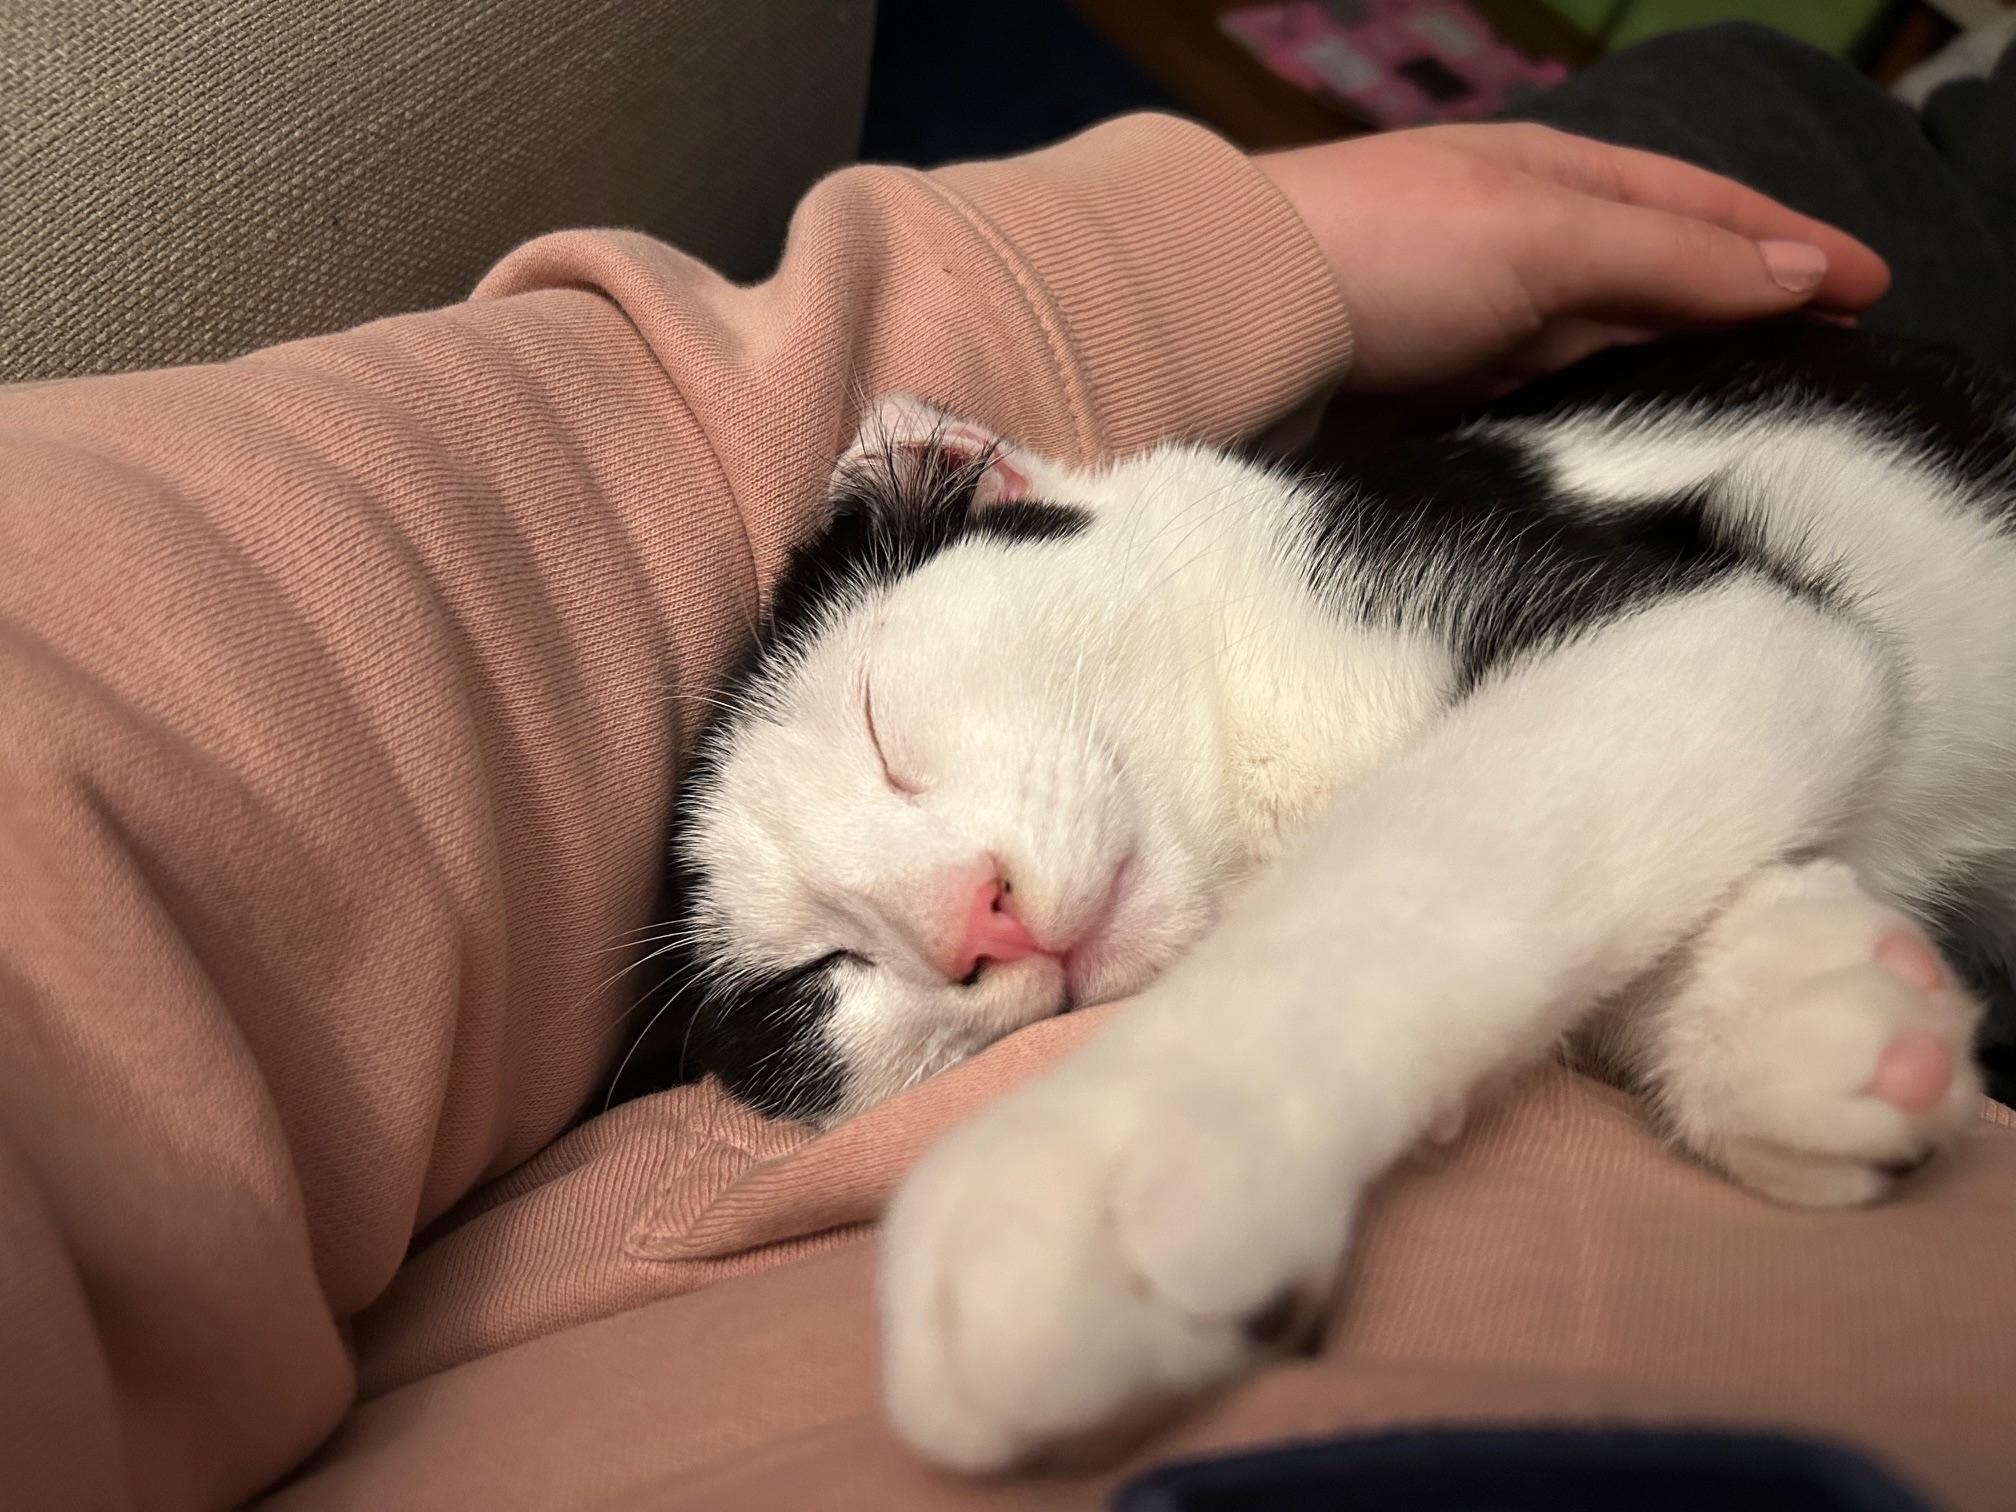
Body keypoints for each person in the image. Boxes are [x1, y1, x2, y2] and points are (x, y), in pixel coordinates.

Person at [0, 23, 2008, 1512]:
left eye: (881, 737)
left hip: (1845, 427)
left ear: (992, 482)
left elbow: (1747, 674)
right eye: (812, 989)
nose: (946, 921)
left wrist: (1249, 1074)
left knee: (1804, 131)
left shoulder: (1255, 594)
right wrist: (1719, 996)